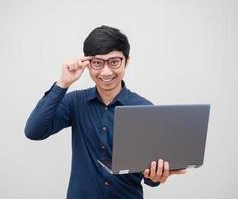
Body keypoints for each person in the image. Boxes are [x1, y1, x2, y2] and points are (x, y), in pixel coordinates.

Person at [24, 25, 186, 199]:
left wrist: (156, 176)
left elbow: (150, 179)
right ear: (87, 63)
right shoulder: (75, 102)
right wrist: (63, 83)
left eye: (114, 62)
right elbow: (34, 131)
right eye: (97, 63)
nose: (106, 71)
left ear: (127, 61)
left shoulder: (144, 109)